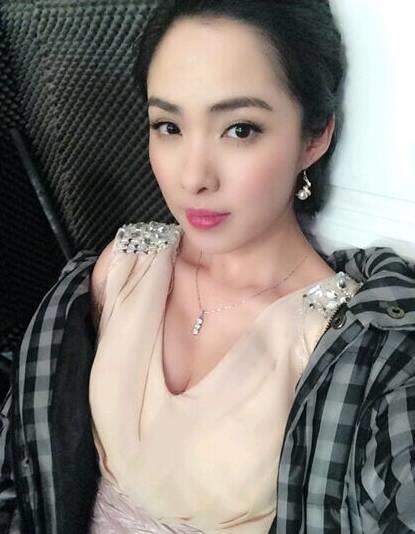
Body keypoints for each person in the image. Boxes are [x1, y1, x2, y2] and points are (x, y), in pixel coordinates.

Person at [1, 1, 415, 533]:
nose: (193, 177)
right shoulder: (123, 268)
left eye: (240, 129)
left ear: (314, 137)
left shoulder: (353, 347)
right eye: (168, 126)